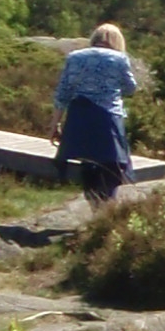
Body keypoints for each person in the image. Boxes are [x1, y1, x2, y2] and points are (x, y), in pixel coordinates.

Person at [51, 23, 140, 204]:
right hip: (108, 117)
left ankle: (94, 206)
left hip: (79, 116)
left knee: (88, 164)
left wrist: (55, 123)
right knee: (111, 166)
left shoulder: (74, 57)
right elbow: (131, 88)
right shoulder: (119, 58)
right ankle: (106, 212)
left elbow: (63, 93)